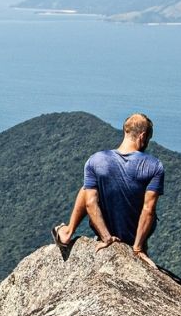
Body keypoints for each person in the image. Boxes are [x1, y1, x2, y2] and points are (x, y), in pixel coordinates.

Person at [52, 113, 164, 265]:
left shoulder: (96, 160)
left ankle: (67, 231)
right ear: (143, 136)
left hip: (108, 234)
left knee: (87, 189)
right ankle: (140, 245)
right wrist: (137, 248)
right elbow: (148, 209)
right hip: (134, 238)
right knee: (89, 187)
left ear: (125, 131)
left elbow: (90, 203)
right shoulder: (154, 166)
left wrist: (106, 238)